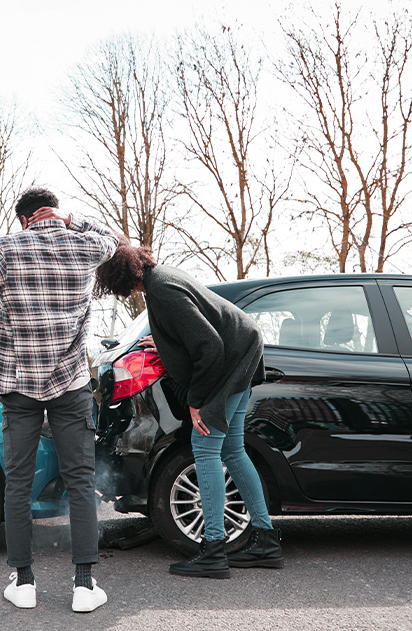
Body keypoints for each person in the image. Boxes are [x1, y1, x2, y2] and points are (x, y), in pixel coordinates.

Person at [0, 187, 117, 612]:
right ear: (54, 213)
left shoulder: (6, 247)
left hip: (18, 380)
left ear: (23, 219)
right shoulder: (84, 243)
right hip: (70, 381)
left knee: (19, 482)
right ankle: (84, 584)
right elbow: (117, 241)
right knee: (80, 481)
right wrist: (74, 221)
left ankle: (23, 581)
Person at [94, 239, 283, 578]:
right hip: (242, 350)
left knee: (205, 448)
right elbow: (194, 333)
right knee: (232, 449)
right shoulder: (161, 279)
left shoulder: (163, 290)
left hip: (230, 360)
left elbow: (208, 346)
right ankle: (266, 540)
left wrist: (197, 402)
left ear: (118, 278)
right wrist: (166, 343)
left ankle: (213, 550)